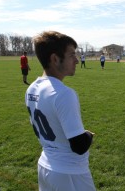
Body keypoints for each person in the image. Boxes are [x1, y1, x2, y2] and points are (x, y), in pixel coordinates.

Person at [25, 31, 96, 191]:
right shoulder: (63, 93)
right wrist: (88, 135)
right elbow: (79, 146)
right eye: (72, 55)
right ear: (55, 59)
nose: (77, 60)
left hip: (45, 165)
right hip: (69, 173)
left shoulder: (32, 88)